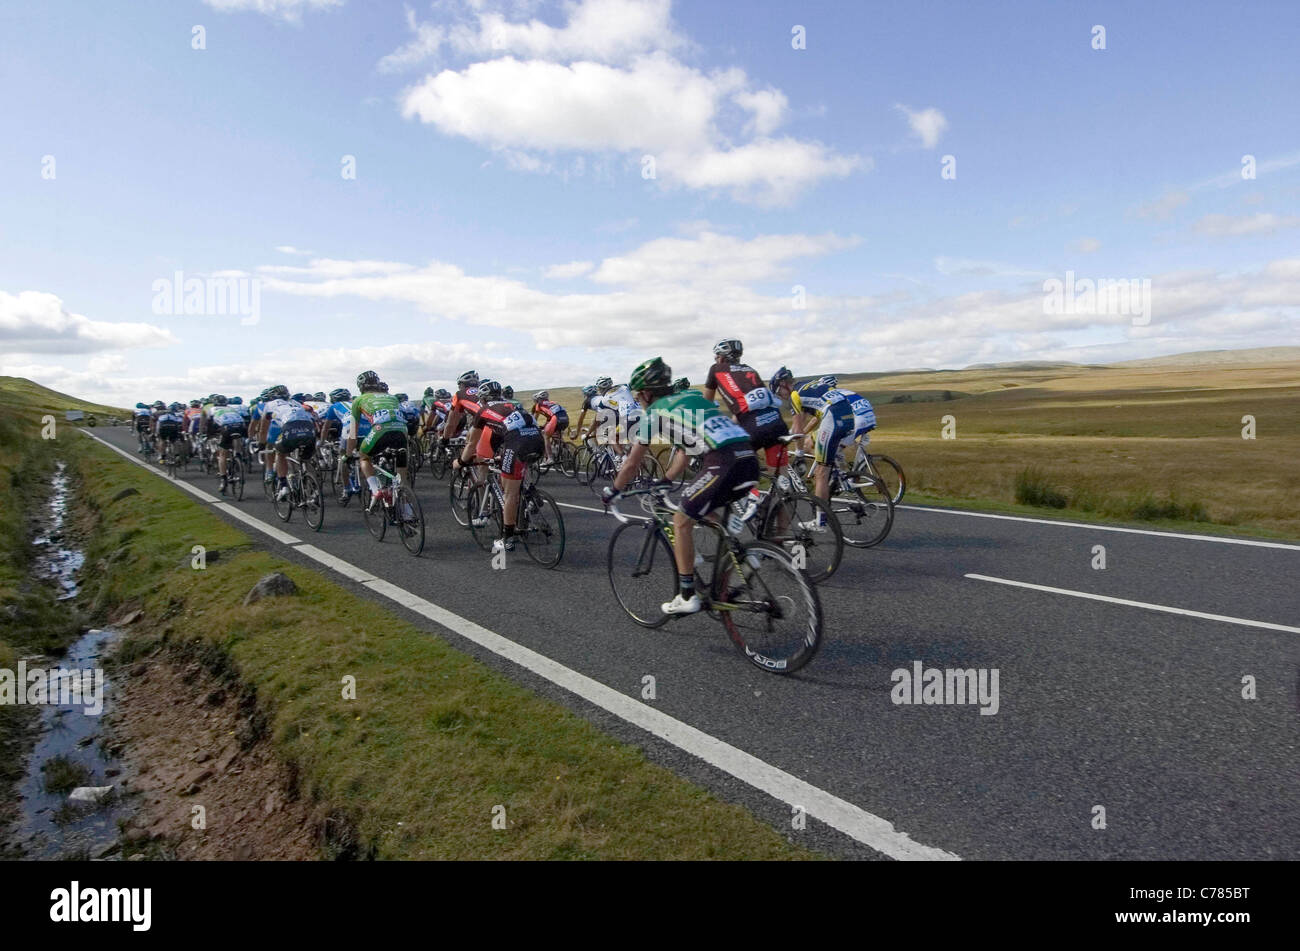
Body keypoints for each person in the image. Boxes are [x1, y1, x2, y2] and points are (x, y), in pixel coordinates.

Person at [603, 357, 758, 615]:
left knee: (680, 520)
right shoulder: (694, 399)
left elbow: (631, 463)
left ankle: (687, 595)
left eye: (639, 395)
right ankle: (745, 556)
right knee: (703, 506)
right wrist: (666, 479)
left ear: (647, 393)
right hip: (748, 458)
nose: (640, 400)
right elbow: (687, 450)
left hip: (723, 462)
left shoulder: (655, 412)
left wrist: (613, 490)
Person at [451, 379, 544, 553]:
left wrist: (461, 462)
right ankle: (531, 493)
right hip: (537, 441)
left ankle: (507, 539)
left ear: (483, 398)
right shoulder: (511, 404)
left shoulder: (483, 410)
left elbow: (472, 443)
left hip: (517, 443)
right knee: (516, 473)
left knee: (510, 494)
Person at [786, 375, 877, 516]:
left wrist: (801, 436)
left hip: (853, 419)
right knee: (832, 446)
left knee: (814, 448)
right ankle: (841, 473)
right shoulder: (837, 393)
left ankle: (839, 478)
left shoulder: (806, 395)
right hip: (865, 417)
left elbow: (813, 421)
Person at [702, 338, 790, 474]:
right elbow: (749, 403)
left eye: (717, 356)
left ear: (722, 357)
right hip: (777, 423)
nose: (716, 359)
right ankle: (788, 493)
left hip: (754, 428)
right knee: (779, 477)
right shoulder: (750, 369)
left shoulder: (716, 369)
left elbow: (706, 404)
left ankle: (751, 495)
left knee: (736, 470)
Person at [348, 370, 409, 509]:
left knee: (364, 457)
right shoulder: (392, 397)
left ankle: (376, 490)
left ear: (361, 386)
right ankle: (407, 511)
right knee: (401, 477)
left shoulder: (358, 400)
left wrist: (348, 453)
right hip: (401, 431)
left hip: (380, 431)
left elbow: (352, 433)